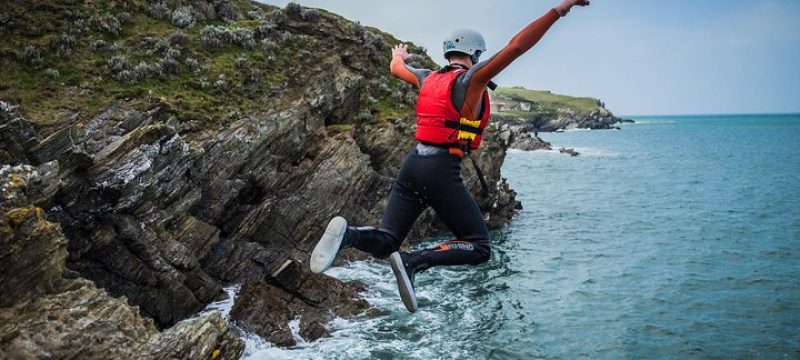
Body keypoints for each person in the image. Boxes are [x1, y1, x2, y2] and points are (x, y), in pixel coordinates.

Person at [310, 0, 590, 313]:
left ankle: (348, 234)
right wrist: (560, 9)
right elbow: (516, 47)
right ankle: (414, 262)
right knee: (480, 246)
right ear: (475, 54)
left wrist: (397, 55)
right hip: (440, 171)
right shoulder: (472, 80)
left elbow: (395, 69)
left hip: (411, 165)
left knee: (388, 240)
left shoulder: (427, 77)